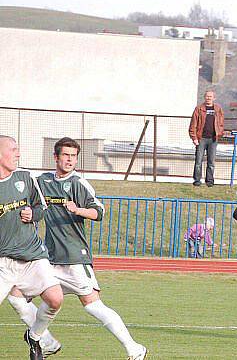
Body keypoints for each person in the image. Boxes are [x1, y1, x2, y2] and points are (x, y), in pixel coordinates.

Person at [7, 137, 147, 360]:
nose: (70, 160)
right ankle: (46, 341)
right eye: (66, 155)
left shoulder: (78, 184)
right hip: (48, 259)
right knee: (16, 296)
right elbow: (21, 183)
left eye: (73, 156)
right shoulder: (42, 181)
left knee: (93, 305)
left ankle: (134, 348)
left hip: (74, 258)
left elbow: (99, 212)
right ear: (56, 157)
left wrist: (78, 210)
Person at [0, 135, 64, 360]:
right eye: (13, 149)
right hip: (3, 263)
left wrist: (32, 214)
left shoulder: (26, 177)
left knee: (55, 298)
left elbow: (41, 207)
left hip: (33, 255)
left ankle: (35, 337)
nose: (18, 153)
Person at [189, 89, 225, 187]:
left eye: (211, 96)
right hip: (201, 138)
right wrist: (194, 137)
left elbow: (221, 123)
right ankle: (197, 180)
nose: (209, 98)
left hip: (213, 139)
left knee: (211, 161)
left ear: (214, 98)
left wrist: (219, 133)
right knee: (198, 161)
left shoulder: (218, 109)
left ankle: (209, 181)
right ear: (204, 97)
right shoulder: (199, 109)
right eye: (207, 96)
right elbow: (193, 124)